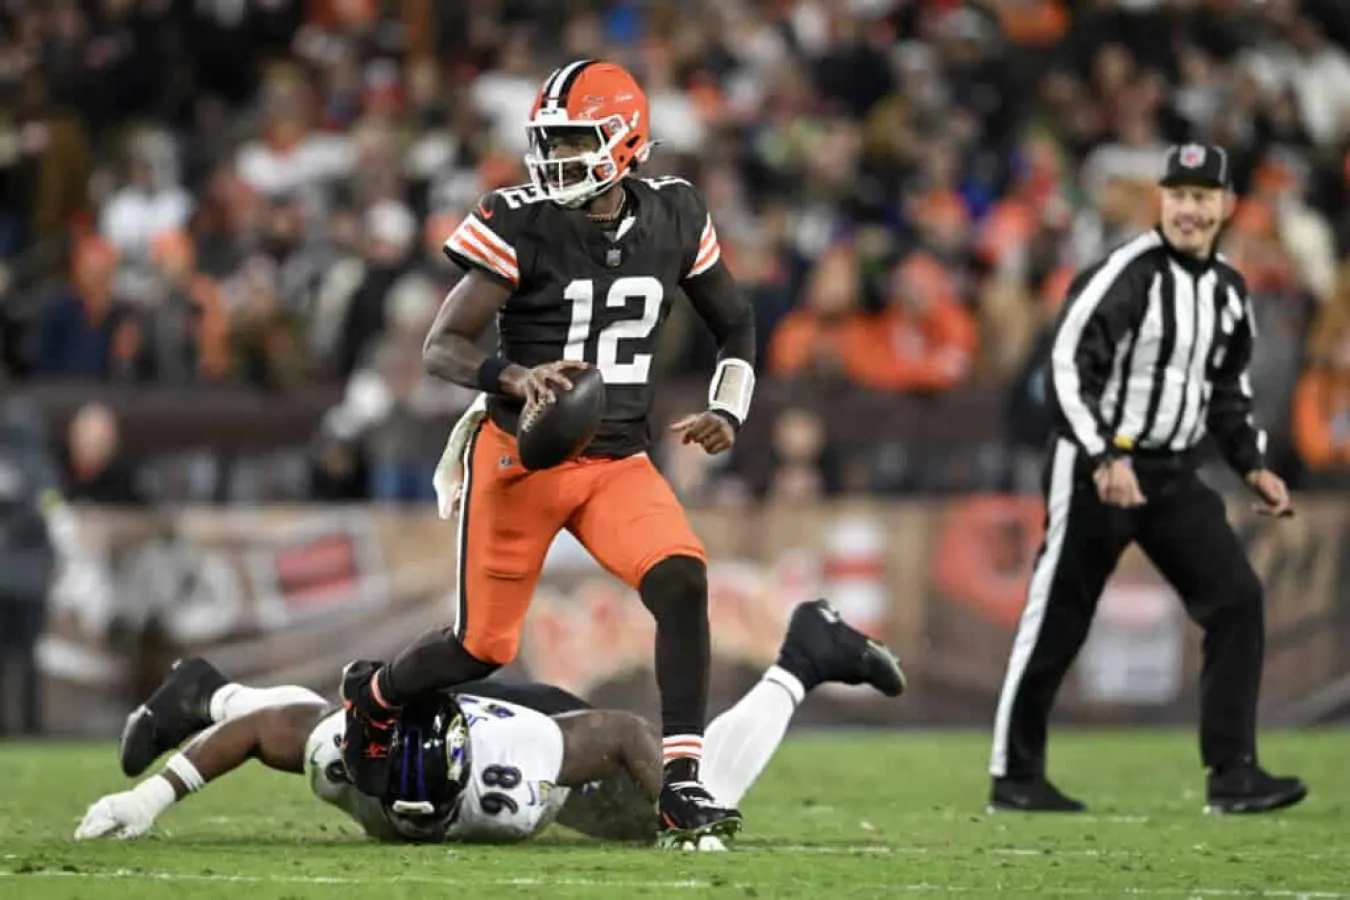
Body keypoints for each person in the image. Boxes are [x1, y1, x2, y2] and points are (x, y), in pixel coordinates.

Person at [338, 59, 760, 848]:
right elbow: (442, 346)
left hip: (615, 463)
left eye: (576, 140)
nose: (557, 157)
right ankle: (377, 699)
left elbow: (735, 323)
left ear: (627, 141)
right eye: (550, 141)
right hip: (520, 458)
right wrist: (516, 375)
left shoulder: (675, 212)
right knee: (480, 647)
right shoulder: (519, 219)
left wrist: (727, 408)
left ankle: (681, 785)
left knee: (681, 580)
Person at [987, 143, 1307, 816]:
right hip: (1099, 467)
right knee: (1060, 616)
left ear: (1225, 206)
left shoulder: (1227, 290)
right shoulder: (1124, 274)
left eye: (1202, 197)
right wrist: (1104, 456)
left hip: (1172, 471)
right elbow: (1068, 368)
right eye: (1179, 195)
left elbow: (1228, 393)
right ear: (1161, 200)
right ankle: (1015, 775)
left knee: (1236, 598)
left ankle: (1232, 772)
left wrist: (1253, 464)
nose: (1190, 209)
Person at [76, 600, 905, 847]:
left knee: (688, 799)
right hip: (437, 718)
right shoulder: (346, 754)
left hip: (532, 718)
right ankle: (202, 689)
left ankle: (803, 655)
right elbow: (269, 731)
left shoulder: (516, 768)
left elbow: (620, 731)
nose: (410, 828)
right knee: (315, 721)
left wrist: (678, 814)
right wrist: (151, 800)